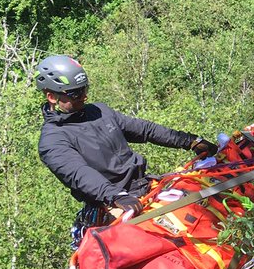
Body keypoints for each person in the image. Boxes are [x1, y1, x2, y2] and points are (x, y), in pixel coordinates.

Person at [35, 55, 217, 246]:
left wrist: (189, 141)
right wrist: (115, 196)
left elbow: (145, 130)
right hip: (112, 204)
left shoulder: (99, 111)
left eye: (85, 89)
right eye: (76, 93)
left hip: (145, 188)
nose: (84, 96)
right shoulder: (53, 140)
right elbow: (79, 174)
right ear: (52, 96)